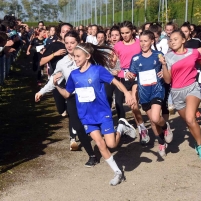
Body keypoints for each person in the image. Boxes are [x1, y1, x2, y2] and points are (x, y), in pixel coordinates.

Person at [52, 43, 137, 186]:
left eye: (78, 56)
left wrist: (128, 93)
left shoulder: (98, 70)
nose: (75, 59)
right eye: (74, 56)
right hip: (86, 116)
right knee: (100, 143)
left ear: (88, 56)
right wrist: (56, 85)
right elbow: (67, 94)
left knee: (111, 144)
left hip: (102, 113)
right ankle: (117, 172)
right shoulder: (74, 75)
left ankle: (121, 127)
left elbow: (116, 83)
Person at [35, 31, 99, 166]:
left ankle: (103, 144)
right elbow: (54, 79)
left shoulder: (88, 57)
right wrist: (41, 92)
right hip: (73, 97)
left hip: (90, 96)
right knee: (77, 126)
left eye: (72, 43)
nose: (69, 46)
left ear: (79, 42)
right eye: (67, 43)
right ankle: (91, 155)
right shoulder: (63, 63)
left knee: (93, 125)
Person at [162, 30, 201, 161]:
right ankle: (198, 140)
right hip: (176, 92)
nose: (172, 41)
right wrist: (163, 64)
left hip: (192, 88)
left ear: (183, 40)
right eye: (170, 40)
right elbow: (168, 80)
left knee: (191, 118)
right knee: (189, 123)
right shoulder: (168, 57)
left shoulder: (194, 52)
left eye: (175, 39)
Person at [128, 30, 173, 156]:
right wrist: (130, 75)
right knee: (153, 122)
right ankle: (161, 143)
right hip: (144, 93)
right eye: (141, 41)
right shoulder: (135, 58)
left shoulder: (158, 55)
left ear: (152, 41)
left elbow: (167, 69)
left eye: (145, 41)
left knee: (154, 117)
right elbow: (132, 75)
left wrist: (163, 71)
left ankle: (165, 127)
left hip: (157, 90)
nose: (142, 43)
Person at [114, 21, 149, 144]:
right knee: (132, 106)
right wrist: (122, 72)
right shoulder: (117, 46)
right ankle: (141, 127)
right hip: (125, 78)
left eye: (127, 32)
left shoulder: (140, 43)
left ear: (133, 31)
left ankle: (143, 130)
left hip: (138, 76)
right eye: (122, 33)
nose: (124, 35)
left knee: (134, 103)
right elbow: (114, 67)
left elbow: (147, 57)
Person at [39, 23, 71, 117]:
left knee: (73, 108)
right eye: (63, 31)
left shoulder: (77, 45)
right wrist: (55, 54)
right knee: (62, 110)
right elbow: (41, 62)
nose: (65, 33)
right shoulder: (54, 45)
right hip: (58, 79)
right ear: (60, 33)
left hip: (73, 79)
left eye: (68, 31)